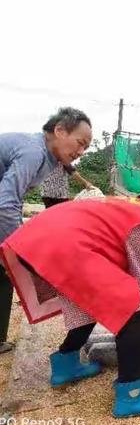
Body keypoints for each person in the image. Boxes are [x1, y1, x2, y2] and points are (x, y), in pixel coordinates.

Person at [0, 195, 140, 418]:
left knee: (97, 297)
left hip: (39, 238)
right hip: (63, 243)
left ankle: (65, 365)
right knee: (132, 302)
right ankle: (132, 393)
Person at [0, 107, 92, 354]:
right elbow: (6, 203)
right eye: (80, 143)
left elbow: (14, 200)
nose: (80, 152)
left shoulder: (48, 158)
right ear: (59, 130)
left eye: (86, 148)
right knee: (11, 263)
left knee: (5, 269)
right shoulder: (33, 152)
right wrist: (21, 250)